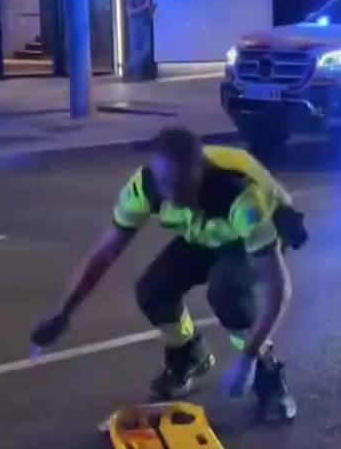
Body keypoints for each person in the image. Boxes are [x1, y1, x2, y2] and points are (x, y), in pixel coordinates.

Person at [30, 127, 307, 420]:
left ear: (198, 172)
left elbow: (279, 289)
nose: (173, 195)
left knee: (227, 293)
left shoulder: (240, 199)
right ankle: (190, 354)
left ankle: (267, 375)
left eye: (180, 184)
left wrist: (248, 358)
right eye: (165, 184)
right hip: (202, 233)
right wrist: (64, 312)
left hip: (246, 236)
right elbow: (105, 253)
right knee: (153, 291)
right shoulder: (145, 188)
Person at [126, 0, 156, 80]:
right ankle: (131, 73)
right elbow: (130, 12)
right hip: (135, 26)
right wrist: (144, 6)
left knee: (146, 49)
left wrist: (151, 9)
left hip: (146, 24)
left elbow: (149, 11)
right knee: (135, 50)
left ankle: (131, 69)